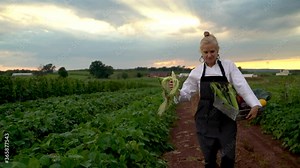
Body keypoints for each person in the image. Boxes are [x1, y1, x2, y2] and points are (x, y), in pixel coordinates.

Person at [171, 31, 262, 168]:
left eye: (212, 51)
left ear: (218, 51)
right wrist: (174, 91)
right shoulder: (196, 72)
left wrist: (254, 104)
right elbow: (185, 95)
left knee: (228, 156)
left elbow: (241, 85)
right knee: (209, 158)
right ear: (201, 53)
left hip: (226, 117)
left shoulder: (228, 66)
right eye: (205, 52)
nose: (209, 55)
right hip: (205, 119)